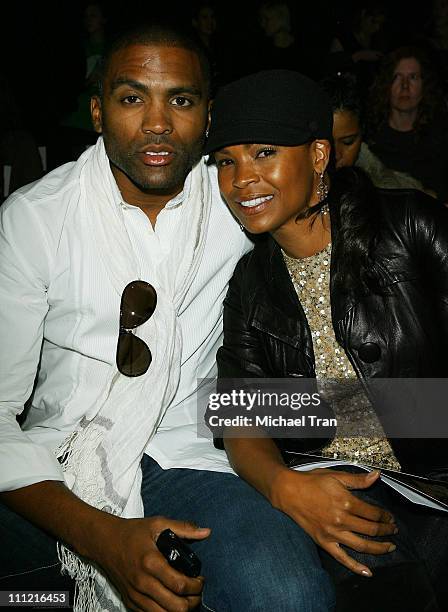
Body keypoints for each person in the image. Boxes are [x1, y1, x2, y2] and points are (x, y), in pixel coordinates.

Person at [0, 24, 336, 612]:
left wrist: (401, 417)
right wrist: (102, 539)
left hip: (195, 454)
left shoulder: (240, 198)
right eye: (133, 99)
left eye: (180, 100)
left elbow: (343, 302)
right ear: (99, 111)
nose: (157, 123)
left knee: (290, 595)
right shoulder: (35, 219)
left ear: (209, 114)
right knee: (29, 600)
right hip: (55, 461)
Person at [204, 69, 448, 611]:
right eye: (226, 161)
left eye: (264, 153)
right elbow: (237, 414)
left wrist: (302, 411)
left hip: (435, 484)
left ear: (318, 155)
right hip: (333, 494)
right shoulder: (250, 282)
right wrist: (282, 486)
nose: (242, 180)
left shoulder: (411, 227)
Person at [319, 71, 435, 193]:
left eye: (348, 142)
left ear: (362, 135)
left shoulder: (389, 189)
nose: (336, 155)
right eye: (326, 142)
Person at [366, 44, 448, 203]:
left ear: (425, 85)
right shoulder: (369, 138)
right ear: (386, 84)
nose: (405, 86)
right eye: (397, 77)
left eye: (413, 77)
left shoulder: (440, 136)